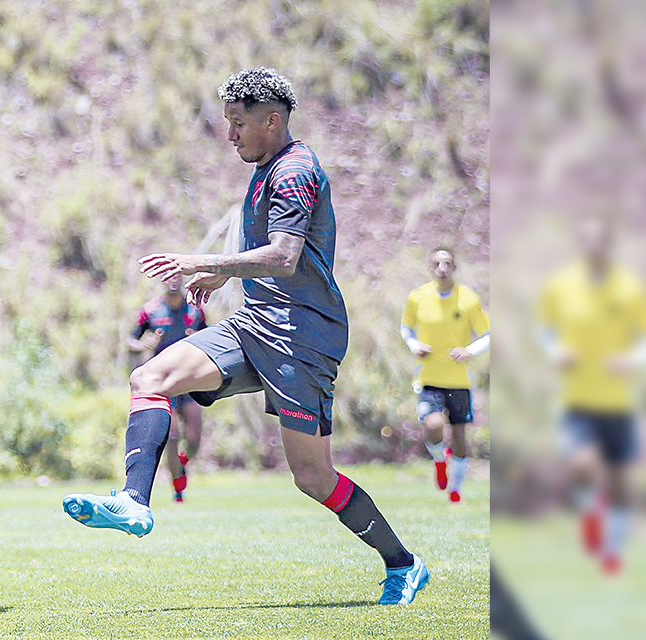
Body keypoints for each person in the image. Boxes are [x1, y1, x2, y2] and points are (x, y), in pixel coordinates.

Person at [62, 68, 429, 605]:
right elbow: (267, 256)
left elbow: (284, 255)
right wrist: (227, 273)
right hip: (255, 324)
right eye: (228, 122)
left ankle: (404, 563)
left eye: (238, 124)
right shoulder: (263, 167)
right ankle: (134, 501)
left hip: (303, 337)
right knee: (151, 376)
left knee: (313, 477)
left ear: (272, 122)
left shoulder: (293, 171)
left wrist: (209, 260)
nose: (230, 134)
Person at [538, 216, 645, 575]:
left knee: (617, 476)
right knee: (583, 464)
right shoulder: (562, 286)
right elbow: (545, 330)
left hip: (617, 398)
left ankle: (611, 549)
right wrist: (555, 352)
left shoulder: (629, 288)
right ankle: (590, 516)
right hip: (576, 397)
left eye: (599, 239)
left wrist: (630, 359)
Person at [401, 248, 490, 502]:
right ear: (430, 267)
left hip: (459, 380)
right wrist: (414, 345)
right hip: (429, 377)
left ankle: (456, 490)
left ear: (454, 267)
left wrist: (469, 351)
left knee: (460, 436)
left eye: (447, 262)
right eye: (437, 263)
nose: (442, 267)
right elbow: (406, 328)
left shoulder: (468, 299)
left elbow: (487, 335)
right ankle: (440, 460)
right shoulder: (417, 298)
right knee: (433, 424)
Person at [129, 274, 207, 502]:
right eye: (168, 278)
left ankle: (182, 462)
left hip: (191, 380)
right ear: (162, 281)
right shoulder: (151, 310)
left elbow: (213, 337)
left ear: (182, 280)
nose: (173, 281)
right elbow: (130, 341)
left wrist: (199, 338)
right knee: (171, 436)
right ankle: (177, 487)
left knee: (194, 440)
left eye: (177, 277)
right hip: (163, 383)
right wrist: (144, 344)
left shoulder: (195, 310)